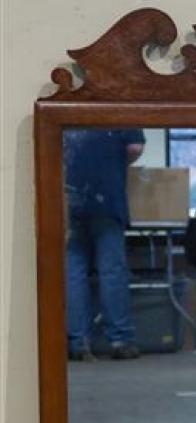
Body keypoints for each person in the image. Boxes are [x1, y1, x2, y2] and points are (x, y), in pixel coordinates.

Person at [63, 129, 145, 360]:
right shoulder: (119, 108)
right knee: (112, 271)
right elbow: (134, 148)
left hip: (69, 198)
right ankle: (120, 340)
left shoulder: (69, 107)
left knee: (73, 273)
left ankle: (78, 342)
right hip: (106, 197)